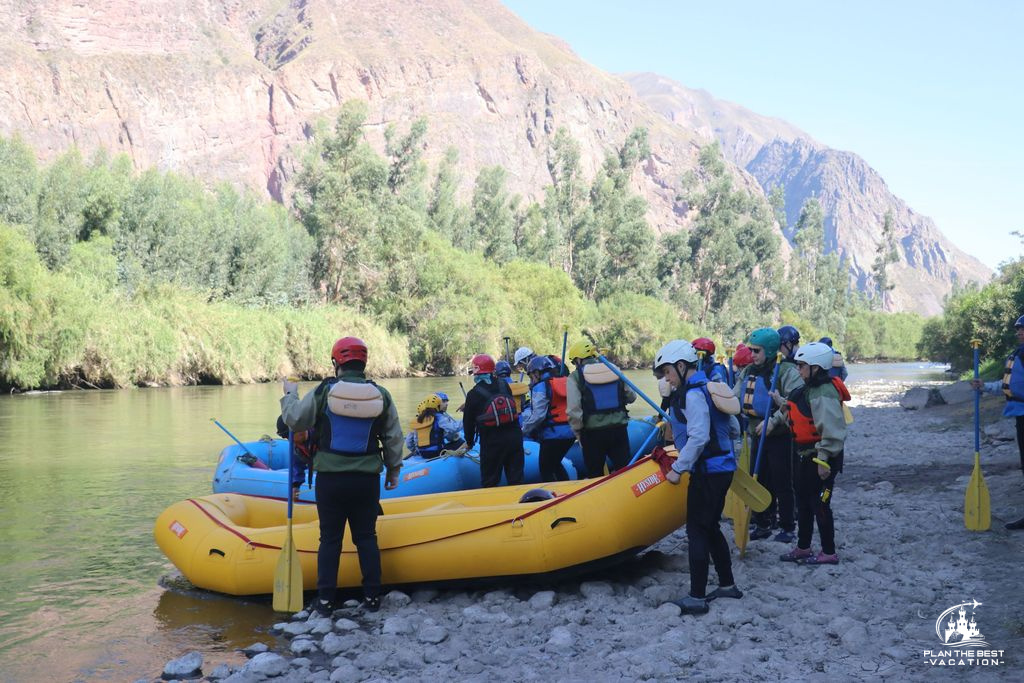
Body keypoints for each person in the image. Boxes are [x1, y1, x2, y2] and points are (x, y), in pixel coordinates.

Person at [280, 336, 403, 616]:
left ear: (337, 362)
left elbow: (295, 420)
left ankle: (325, 602)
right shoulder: (381, 393)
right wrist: (393, 470)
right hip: (366, 480)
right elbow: (394, 437)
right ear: (364, 362)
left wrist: (289, 393)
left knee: (330, 539)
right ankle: (372, 598)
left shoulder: (325, 390)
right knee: (366, 537)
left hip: (331, 480)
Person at [655, 340, 742, 615]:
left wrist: (678, 468)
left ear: (681, 367)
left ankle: (696, 596)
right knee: (711, 526)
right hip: (723, 468)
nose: (666, 378)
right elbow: (734, 429)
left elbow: (700, 437)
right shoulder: (709, 387)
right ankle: (727, 585)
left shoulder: (693, 395)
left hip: (708, 472)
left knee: (696, 531)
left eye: (667, 372)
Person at [774, 342, 849, 564]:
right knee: (803, 503)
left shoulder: (824, 393)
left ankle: (828, 552)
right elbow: (795, 414)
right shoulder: (806, 390)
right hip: (804, 456)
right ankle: (803, 547)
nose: (798, 370)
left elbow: (833, 431)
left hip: (822, 460)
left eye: (802, 366)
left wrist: (824, 460)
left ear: (815, 367)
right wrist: (780, 404)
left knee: (821, 503)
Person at [734, 327, 803, 542]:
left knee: (782, 481)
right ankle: (764, 522)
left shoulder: (786, 371)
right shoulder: (747, 371)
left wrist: (772, 423)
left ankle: (787, 526)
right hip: (756, 433)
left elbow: (794, 401)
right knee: (759, 479)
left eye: (757, 351)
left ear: (770, 350)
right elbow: (735, 395)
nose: (752, 355)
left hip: (780, 434)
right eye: (751, 350)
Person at [972, 314, 1024, 530]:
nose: (1019, 332)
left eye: (1023, 329)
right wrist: (984, 386)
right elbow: (1008, 385)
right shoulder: (1018, 354)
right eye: (1018, 329)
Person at [565, 339, 637, 478]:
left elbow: (574, 410)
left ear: (579, 359)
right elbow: (631, 397)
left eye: (574, 362)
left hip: (592, 434)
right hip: (619, 429)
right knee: (625, 471)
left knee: (595, 474)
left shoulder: (575, 377)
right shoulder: (613, 369)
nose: (575, 365)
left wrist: (578, 432)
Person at [462, 354, 525, 487]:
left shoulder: (473, 394)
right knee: (516, 480)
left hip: (492, 442)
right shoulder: (504, 385)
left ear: (476, 372)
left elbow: (468, 422)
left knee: (490, 481)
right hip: (514, 438)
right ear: (492, 370)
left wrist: (469, 442)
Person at [520, 355, 574, 481]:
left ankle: (556, 495)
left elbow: (538, 416)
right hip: (571, 433)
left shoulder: (541, 387)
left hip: (553, 435)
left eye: (531, 375)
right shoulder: (566, 381)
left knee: (545, 469)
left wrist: (523, 430)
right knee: (555, 464)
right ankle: (567, 488)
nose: (531, 379)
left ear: (537, 372)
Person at [405, 394, 466, 459]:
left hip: (423, 454)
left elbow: (409, 442)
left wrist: (416, 451)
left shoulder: (419, 419)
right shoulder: (439, 417)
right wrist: (468, 419)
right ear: (438, 406)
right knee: (460, 442)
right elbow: (454, 428)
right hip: (437, 452)